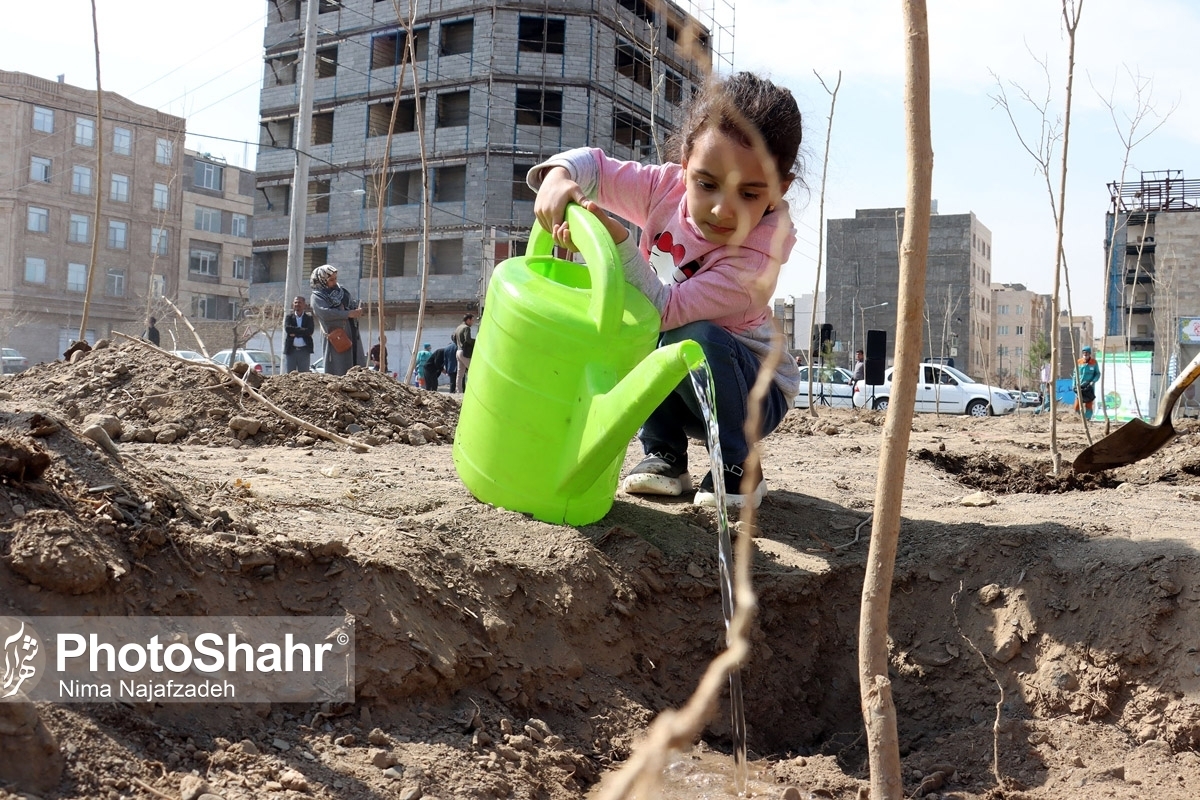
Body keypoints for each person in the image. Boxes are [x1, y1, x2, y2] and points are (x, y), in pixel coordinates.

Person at [530, 71, 803, 510]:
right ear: (684, 163)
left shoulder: (757, 257)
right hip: (681, 384)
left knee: (693, 335)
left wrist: (619, 243)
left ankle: (738, 463)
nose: (721, 209)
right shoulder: (664, 189)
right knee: (632, 331)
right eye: (706, 184)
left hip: (751, 392)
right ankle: (664, 452)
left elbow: (665, 310)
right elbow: (595, 166)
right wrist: (559, 175)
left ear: (778, 189)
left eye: (749, 194)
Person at [309, 264, 364, 377]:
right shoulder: (317, 296)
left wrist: (356, 310)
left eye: (335, 279)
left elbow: (350, 304)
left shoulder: (342, 291)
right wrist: (347, 313)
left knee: (356, 364)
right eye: (331, 280)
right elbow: (325, 313)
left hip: (351, 332)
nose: (334, 282)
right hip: (336, 335)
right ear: (322, 280)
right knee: (338, 367)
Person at [283, 296, 315, 373]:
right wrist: (303, 332)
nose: (297, 304)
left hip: (304, 350)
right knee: (290, 375)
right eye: (295, 302)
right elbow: (288, 329)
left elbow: (310, 331)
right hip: (291, 350)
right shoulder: (289, 317)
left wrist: (295, 332)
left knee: (304, 375)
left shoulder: (309, 318)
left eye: (299, 302)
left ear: (304, 304)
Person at [1075, 344, 1100, 421]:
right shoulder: (1079, 362)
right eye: (1084, 353)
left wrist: (1093, 381)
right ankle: (1079, 418)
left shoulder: (1094, 362)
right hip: (1080, 386)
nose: (1085, 355)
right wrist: (1074, 384)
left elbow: (1097, 374)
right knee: (1077, 405)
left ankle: (1087, 419)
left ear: (1089, 354)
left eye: (1087, 353)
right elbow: (1074, 374)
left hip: (1089, 387)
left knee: (1088, 404)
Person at [453, 314, 475, 394]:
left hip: (458, 351)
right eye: (472, 320)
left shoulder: (458, 327)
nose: (472, 322)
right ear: (468, 320)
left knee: (460, 374)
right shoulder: (466, 328)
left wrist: (459, 344)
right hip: (464, 352)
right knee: (473, 370)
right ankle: (473, 390)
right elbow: (468, 340)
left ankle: (459, 391)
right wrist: (476, 341)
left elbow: (453, 337)